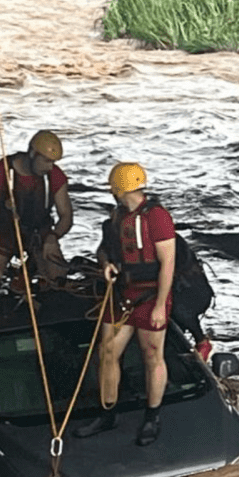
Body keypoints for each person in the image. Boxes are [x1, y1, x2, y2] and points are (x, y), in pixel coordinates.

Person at [74, 162, 174, 446]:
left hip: (151, 295)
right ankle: (107, 413)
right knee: (106, 352)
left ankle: (152, 417)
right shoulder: (117, 218)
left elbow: (168, 264)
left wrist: (159, 307)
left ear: (118, 188)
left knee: (152, 354)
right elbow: (103, 249)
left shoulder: (157, 217)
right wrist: (106, 264)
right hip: (121, 294)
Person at [0, 129, 73, 286]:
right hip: (4, 232)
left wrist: (53, 237)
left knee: (58, 279)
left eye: (53, 162)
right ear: (32, 153)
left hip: (39, 233)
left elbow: (66, 215)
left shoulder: (55, 176)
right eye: (46, 161)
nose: (50, 167)